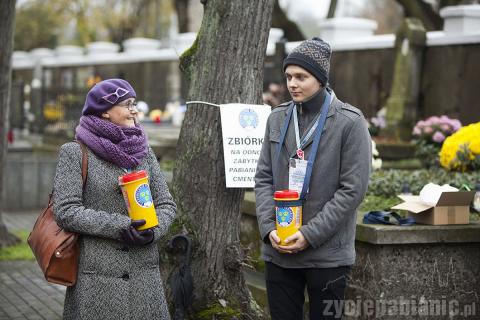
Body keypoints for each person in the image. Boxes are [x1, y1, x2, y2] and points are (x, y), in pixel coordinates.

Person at [255, 38, 371, 319]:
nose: (292, 83)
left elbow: (352, 191)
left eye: (301, 77)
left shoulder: (350, 122)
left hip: (327, 257)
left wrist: (309, 234)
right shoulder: (277, 118)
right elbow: (263, 178)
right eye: (288, 77)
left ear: (320, 79)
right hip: (279, 251)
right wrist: (270, 228)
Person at [53, 79, 176, 319]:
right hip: (97, 281)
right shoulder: (75, 153)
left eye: (134, 103)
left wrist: (153, 231)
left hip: (144, 278)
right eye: (127, 104)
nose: (134, 110)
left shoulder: (143, 151)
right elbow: (66, 210)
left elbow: (166, 204)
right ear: (105, 111)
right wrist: (121, 227)